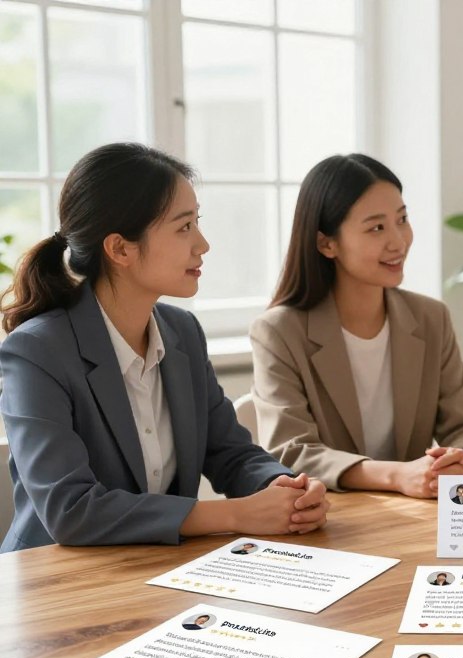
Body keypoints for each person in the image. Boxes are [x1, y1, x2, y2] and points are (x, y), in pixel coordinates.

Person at [0, 143, 330, 554]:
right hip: (55, 585)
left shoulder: (182, 331)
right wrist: (236, 515)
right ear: (120, 248)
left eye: (197, 222)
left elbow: (229, 452)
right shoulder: (36, 352)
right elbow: (71, 510)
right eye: (183, 227)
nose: (203, 244)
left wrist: (282, 488)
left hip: (156, 569)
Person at [250, 154, 463, 499]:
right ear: (327, 243)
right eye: (376, 228)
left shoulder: (430, 318)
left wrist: (460, 460)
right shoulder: (279, 331)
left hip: (415, 515)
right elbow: (291, 451)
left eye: (402, 219)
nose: (399, 241)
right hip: (332, 520)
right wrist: (397, 476)